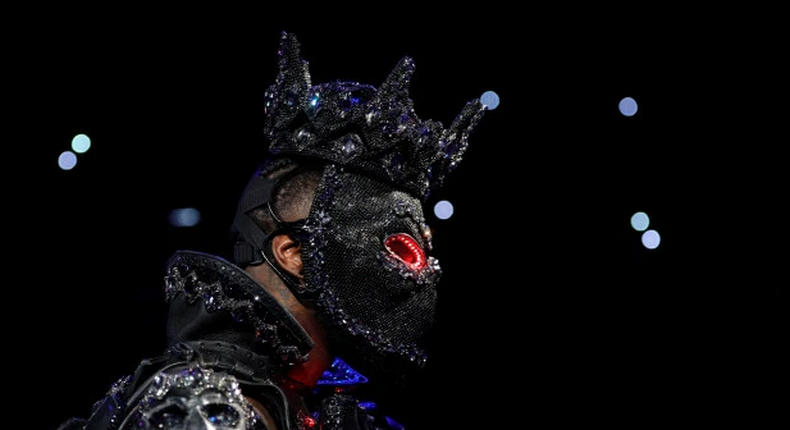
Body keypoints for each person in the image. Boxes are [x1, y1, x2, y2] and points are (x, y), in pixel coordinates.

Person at [57, 30, 489, 430]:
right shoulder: (207, 407)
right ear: (294, 252)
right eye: (403, 251)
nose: (426, 272)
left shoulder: (305, 403)